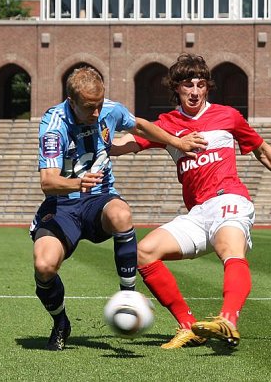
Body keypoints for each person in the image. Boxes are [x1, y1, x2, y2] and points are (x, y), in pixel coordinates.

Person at [112, 53, 271, 349]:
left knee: (229, 248)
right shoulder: (166, 124)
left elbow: (263, 152)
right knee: (143, 252)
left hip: (229, 199)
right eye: (188, 85)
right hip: (197, 214)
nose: (195, 91)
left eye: (201, 85)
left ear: (207, 87)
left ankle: (228, 320)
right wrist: (93, 140)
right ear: (176, 88)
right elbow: (124, 145)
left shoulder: (228, 116)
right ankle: (188, 326)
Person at [29, 66, 206, 351]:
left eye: (99, 104)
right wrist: (77, 183)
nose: (97, 112)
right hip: (62, 204)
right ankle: (61, 322)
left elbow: (140, 126)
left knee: (121, 214)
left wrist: (176, 141)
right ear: (71, 102)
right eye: (89, 107)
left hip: (99, 199)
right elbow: (48, 182)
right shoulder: (53, 125)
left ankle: (128, 298)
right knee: (44, 266)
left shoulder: (110, 109)